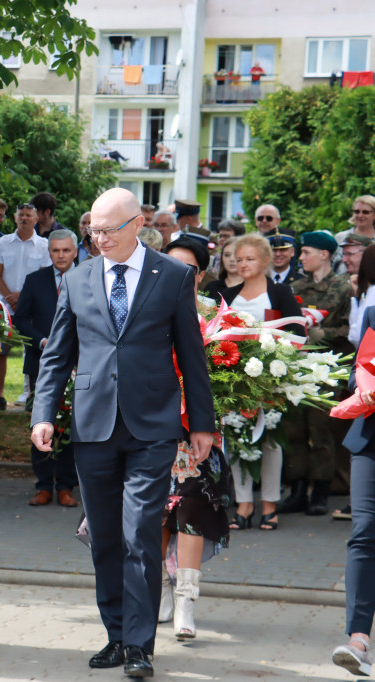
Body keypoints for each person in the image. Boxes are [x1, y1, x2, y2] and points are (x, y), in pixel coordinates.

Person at [30, 187, 214, 678]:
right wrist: (42, 414)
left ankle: (139, 645)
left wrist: (202, 424)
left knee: (139, 533)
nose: (99, 238)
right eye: (93, 229)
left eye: (109, 230)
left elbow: (192, 355)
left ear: (136, 224)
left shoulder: (173, 276)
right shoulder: (78, 277)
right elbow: (56, 356)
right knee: (106, 536)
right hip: (93, 426)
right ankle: (115, 635)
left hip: (152, 425)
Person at [158, 236, 232, 641]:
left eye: (187, 268)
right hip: (152, 430)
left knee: (190, 513)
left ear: (200, 274)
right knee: (154, 515)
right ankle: (159, 593)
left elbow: (224, 375)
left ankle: (185, 604)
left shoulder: (217, 318)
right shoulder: (148, 304)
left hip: (196, 438)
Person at [219, 233, 304, 531]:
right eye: (238, 259)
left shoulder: (280, 293)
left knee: (269, 441)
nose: (242, 264)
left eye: (249, 259)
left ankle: (269, 503)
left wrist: (275, 355)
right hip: (235, 382)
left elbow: (297, 333)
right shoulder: (227, 296)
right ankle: (243, 502)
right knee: (237, 438)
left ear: (266, 261)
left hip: (271, 380)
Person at [280, 231, 352, 517]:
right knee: (293, 428)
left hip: (326, 365)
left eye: (306, 252)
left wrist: (326, 332)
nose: (301, 257)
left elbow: (352, 328)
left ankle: (321, 490)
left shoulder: (343, 288)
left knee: (321, 430)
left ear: (324, 254)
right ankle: (297, 488)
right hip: (297, 364)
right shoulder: (294, 286)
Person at [14, 229, 79, 508]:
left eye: (66, 250)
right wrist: (42, 340)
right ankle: (43, 486)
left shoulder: (90, 278)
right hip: (41, 363)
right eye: (56, 251)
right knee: (41, 421)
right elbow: (20, 319)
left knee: (71, 425)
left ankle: (66, 486)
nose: (61, 255)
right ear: (49, 251)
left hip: (80, 365)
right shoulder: (35, 280)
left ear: (75, 251)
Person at [332, 303, 375, 676]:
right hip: (371, 443)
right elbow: (354, 373)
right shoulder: (374, 314)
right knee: (363, 535)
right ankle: (358, 639)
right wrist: (363, 385)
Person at [0, 203, 50, 412]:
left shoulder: (44, 245)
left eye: (28, 215)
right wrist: (9, 296)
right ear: (15, 218)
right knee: (2, 351)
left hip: (32, 307)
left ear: (36, 219)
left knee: (33, 350)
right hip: (6, 306)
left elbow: (43, 276)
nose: (24, 218)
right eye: (20, 215)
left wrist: (22, 297)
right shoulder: (2, 243)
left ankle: (31, 395)